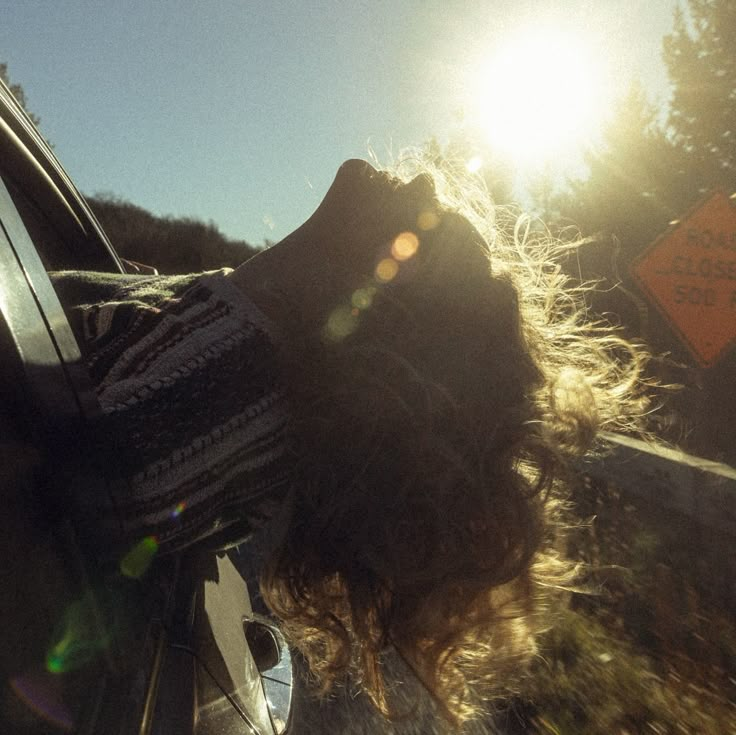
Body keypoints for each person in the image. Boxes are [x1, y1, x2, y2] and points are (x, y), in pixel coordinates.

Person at [52, 158, 649, 726]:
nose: (420, 180)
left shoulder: (236, 385)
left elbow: (56, 493)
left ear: (395, 326)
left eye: (454, 251)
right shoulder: (220, 322)